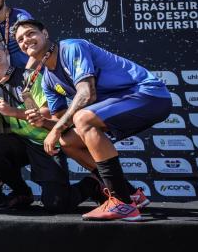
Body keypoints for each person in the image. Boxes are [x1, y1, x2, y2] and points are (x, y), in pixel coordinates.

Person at [13, 19, 172, 221]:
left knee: (82, 118)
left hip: (150, 95)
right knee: (67, 140)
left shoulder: (71, 47)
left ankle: (122, 203)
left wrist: (56, 128)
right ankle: (130, 194)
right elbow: (63, 124)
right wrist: (44, 123)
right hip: (124, 105)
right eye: (20, 40)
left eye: (30, 34)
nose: (26, 40)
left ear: (45, 33)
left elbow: (87, 93)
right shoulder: (47, 80)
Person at [0, 38, 103, 213]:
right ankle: (22, 192)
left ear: (6, 52)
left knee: (57, 204)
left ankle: (92, 184)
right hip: (21, 144)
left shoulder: (28, 78)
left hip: (47, 143)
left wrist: (12, 111)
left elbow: (47, 114)